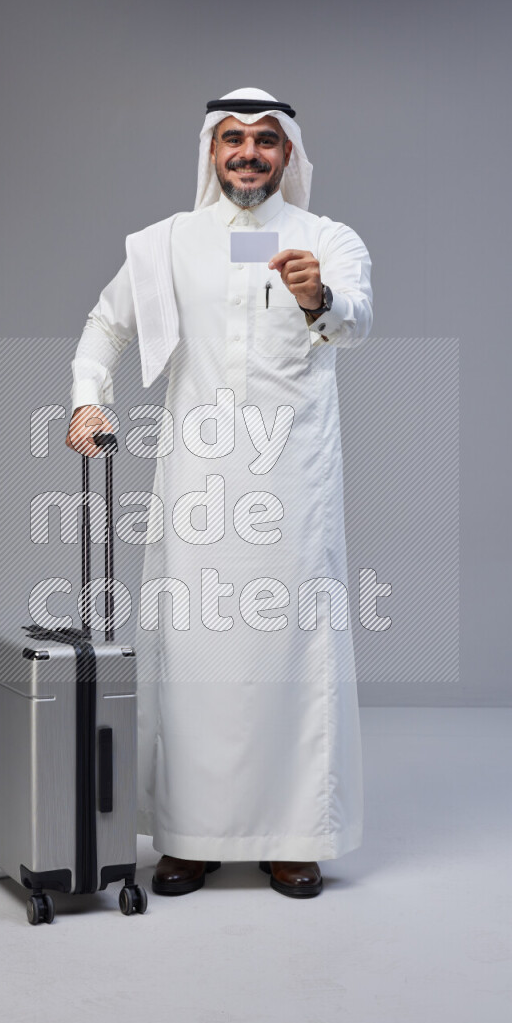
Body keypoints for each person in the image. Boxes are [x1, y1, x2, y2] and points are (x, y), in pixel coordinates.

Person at [66, 87, 373, 898]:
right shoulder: (168, 245)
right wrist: (87, 396)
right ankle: (189, 838)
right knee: (195, 657)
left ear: (288, 154)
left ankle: (293, 836)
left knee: (291, 655)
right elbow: (106, 324)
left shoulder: (327, 240)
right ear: (210, 151)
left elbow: (358, 317)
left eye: (265, 140)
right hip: (199, 485)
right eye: (232, 138)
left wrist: (318, 296)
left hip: (294, 486)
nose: (247, 152)